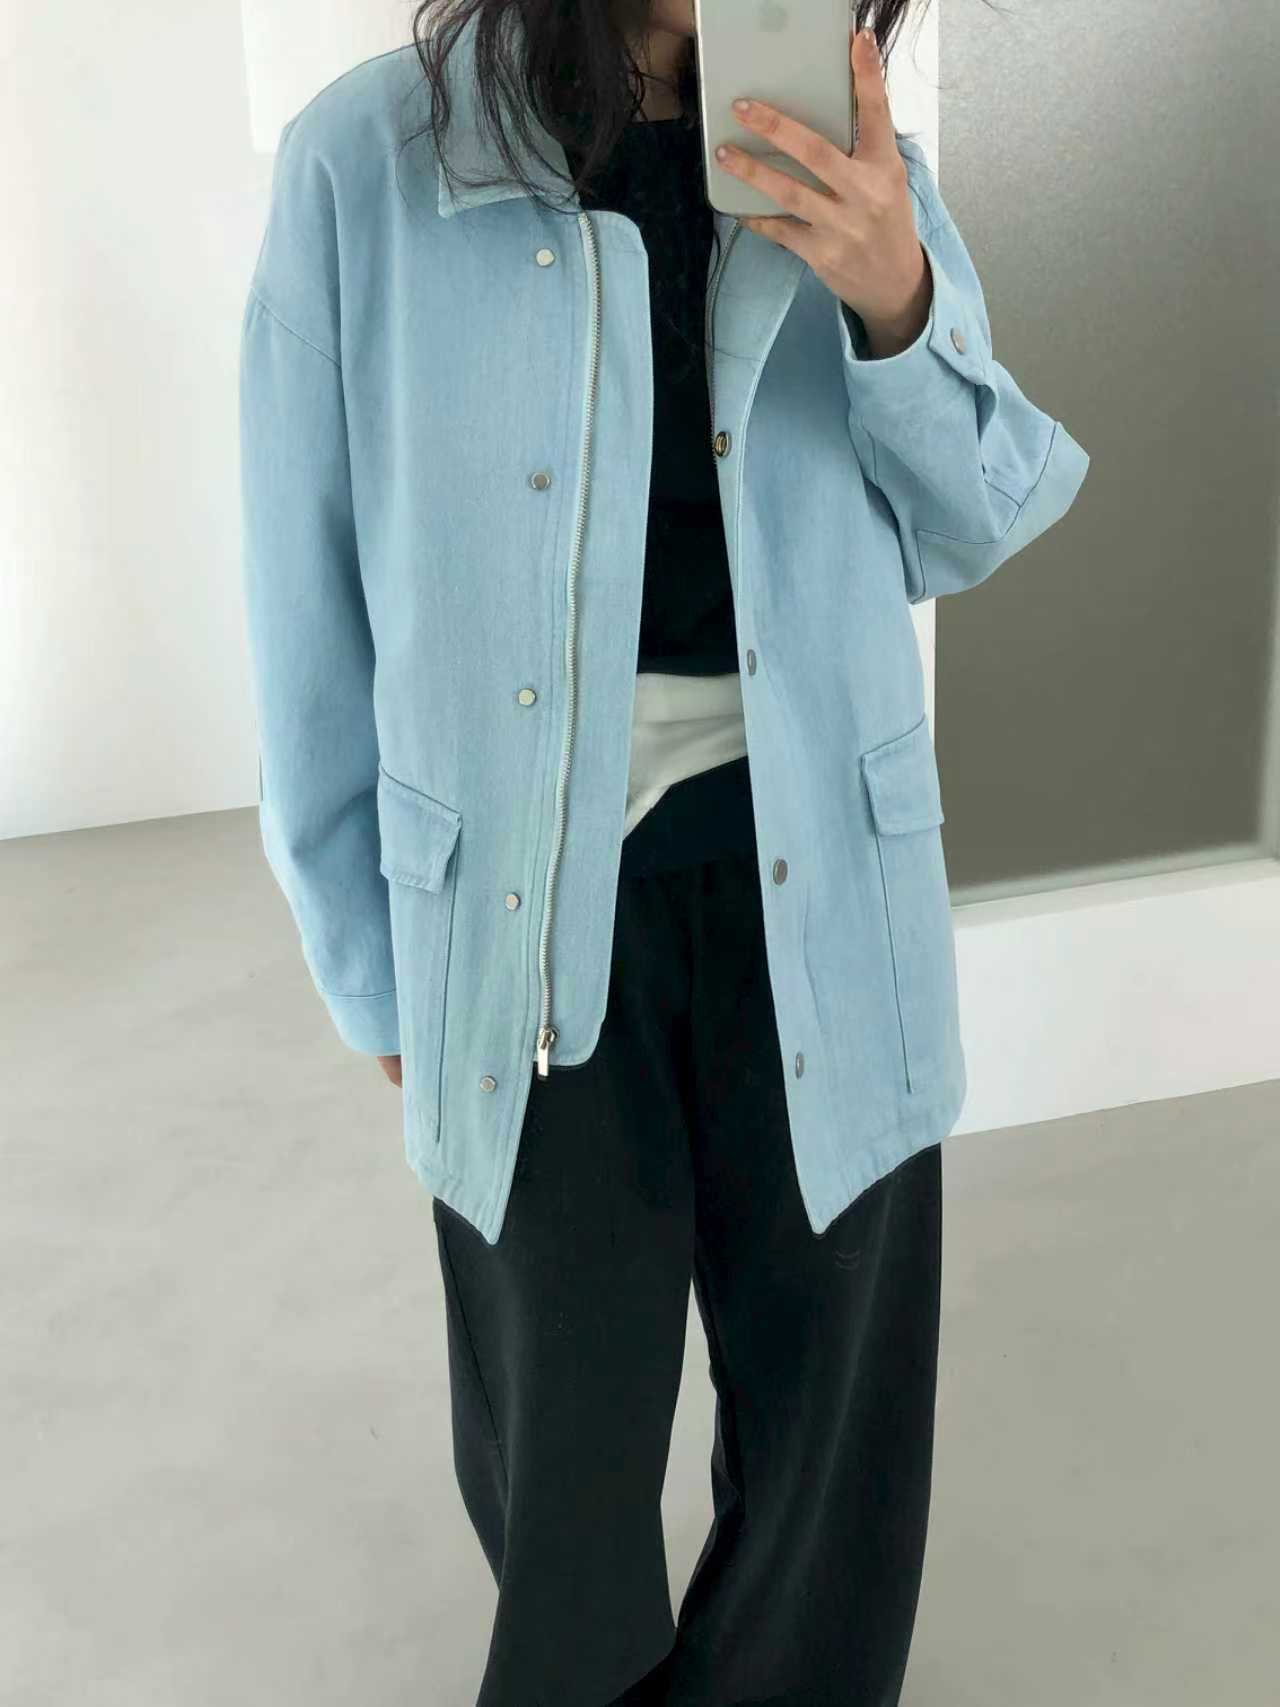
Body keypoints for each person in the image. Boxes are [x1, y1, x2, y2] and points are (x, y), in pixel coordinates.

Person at [238, 3, 1089, 1702]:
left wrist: (897, 300)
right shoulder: (371, 163)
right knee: (564, 1460)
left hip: (825, 888)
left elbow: (978, 516)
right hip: (521, 910)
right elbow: (302, 593)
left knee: (835, 1449)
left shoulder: (855, 158)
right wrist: (365, 953)